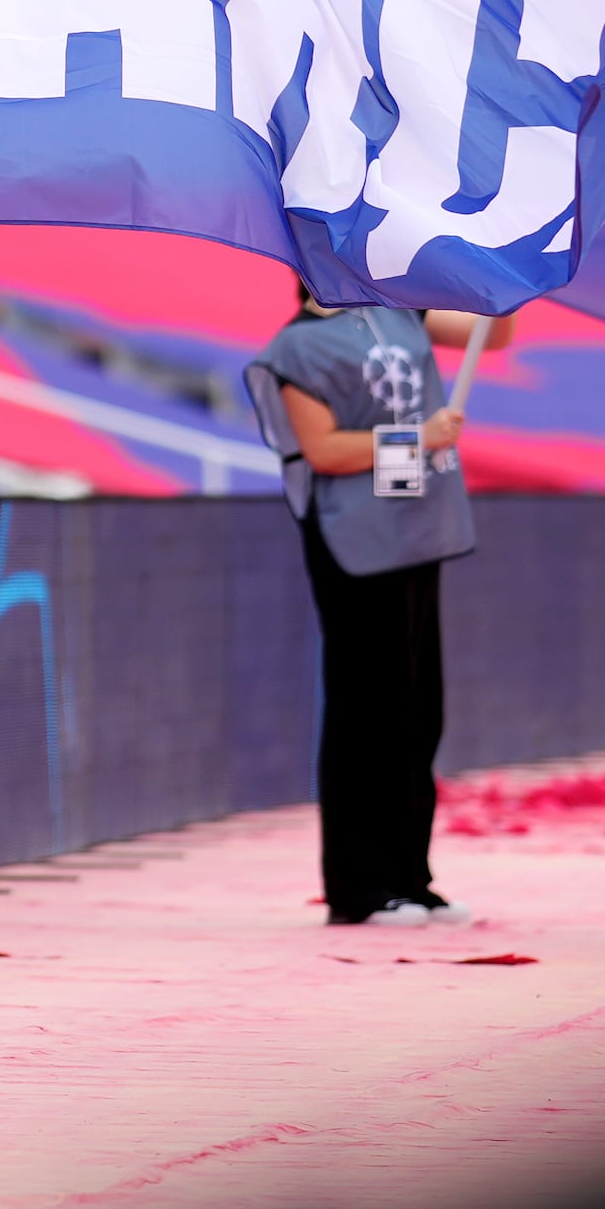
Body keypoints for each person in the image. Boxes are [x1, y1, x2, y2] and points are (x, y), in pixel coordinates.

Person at [247, 302, 509, 928]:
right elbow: (324, 451)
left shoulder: (402, 312)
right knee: (367, 711)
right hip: (355, 540)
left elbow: (492, 333)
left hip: (418, 528)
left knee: (419, 711)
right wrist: (418, 438)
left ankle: (410, 878)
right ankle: (359, 888)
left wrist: (506, 276)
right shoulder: (296, 347)